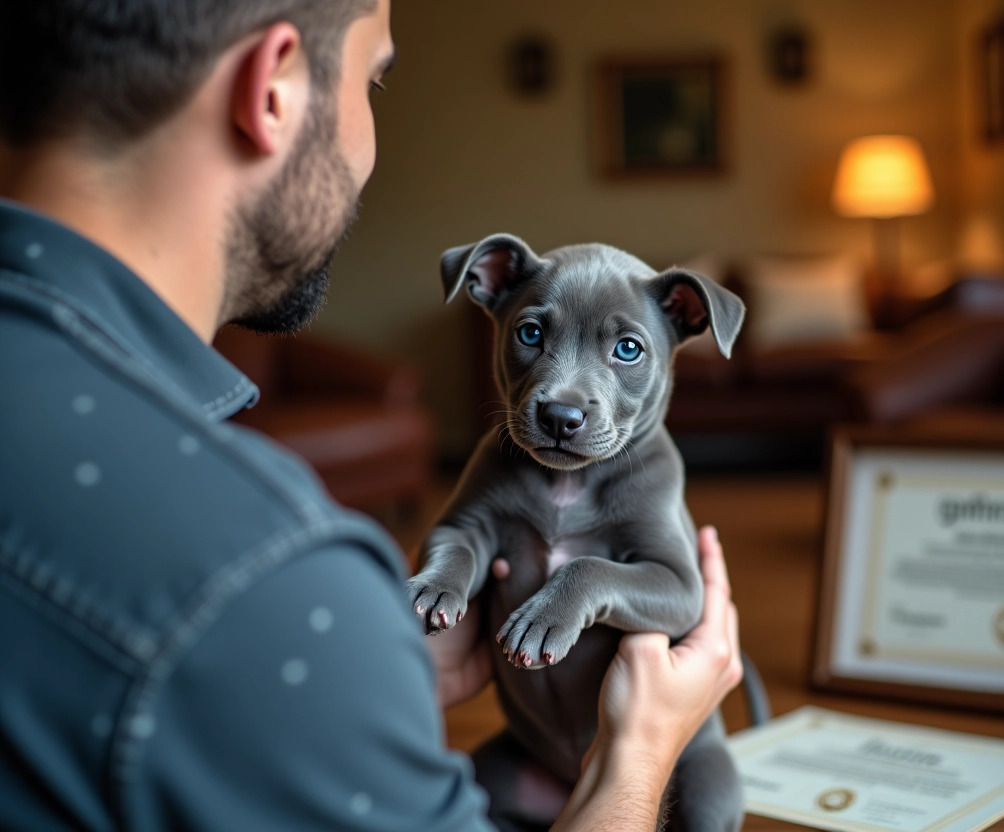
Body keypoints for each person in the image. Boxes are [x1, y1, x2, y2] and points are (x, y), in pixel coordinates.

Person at [0, 1, 743, 830]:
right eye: (376, 80)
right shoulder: (276, 570)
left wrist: (391, 687)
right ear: (272, 87)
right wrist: (638, 759)